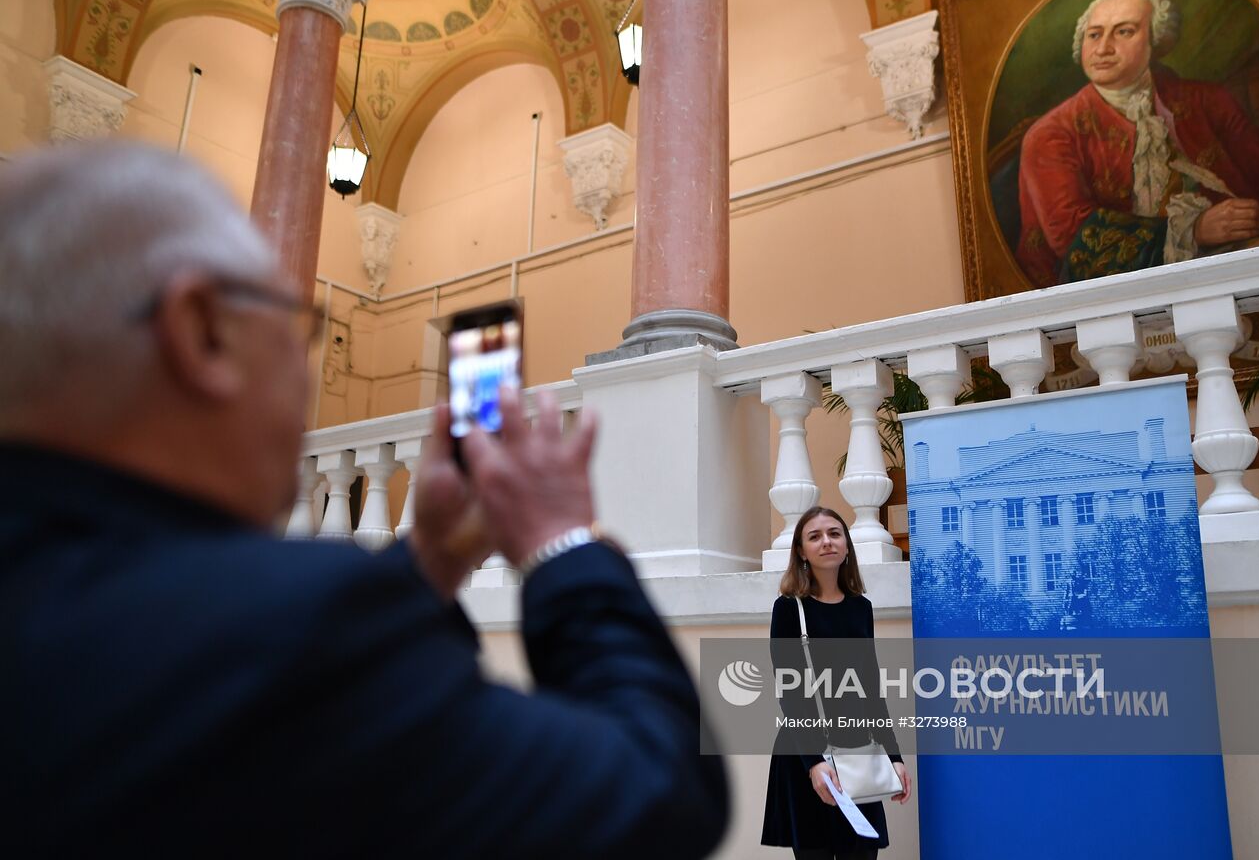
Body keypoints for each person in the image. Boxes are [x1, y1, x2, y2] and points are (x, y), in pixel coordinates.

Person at [0, 141, 728, 857]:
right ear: (202, 332)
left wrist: (430, 562)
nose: (307, 368)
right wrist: (562, 542)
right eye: (296, 326)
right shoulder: (299, 628)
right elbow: (659, 791)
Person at [1015, 0, 1259, 288]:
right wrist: (1195, 230)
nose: (1103, 48)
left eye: (1124, 31)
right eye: (1094, 35)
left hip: (1230, 265)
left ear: (1156, 41)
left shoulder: (1205, 100)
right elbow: (1076, 237)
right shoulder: (1051, 134)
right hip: (1104, 292)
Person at [761, 506, 911, 859]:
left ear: (846, 546)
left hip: (858, 750)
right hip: (807, 756)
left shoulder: (862, 608)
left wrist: (894, 757)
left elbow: (871, 691)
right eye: (814, 536)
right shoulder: (788, 609)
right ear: (801, 550)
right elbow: (791, 695)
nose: (826, 542)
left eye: (834, 533)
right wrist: (814, 763)